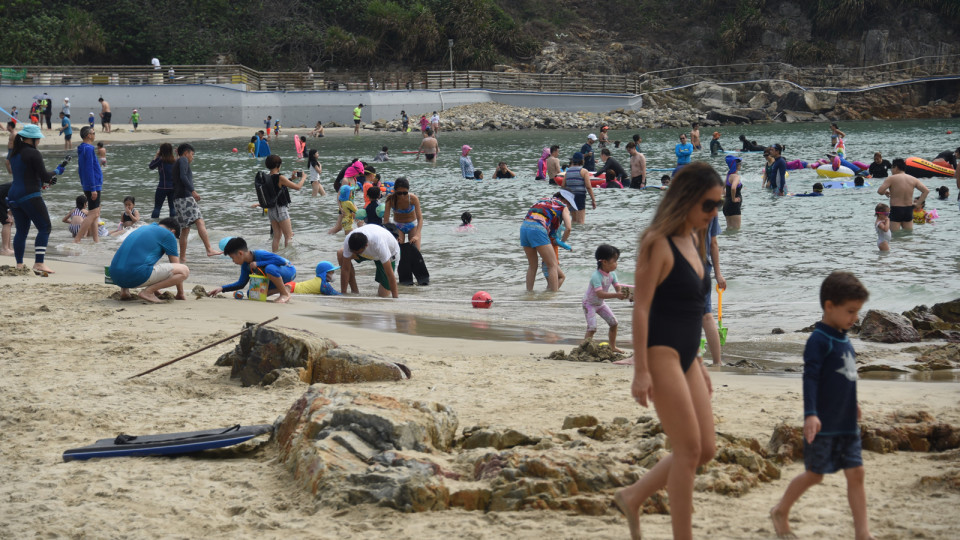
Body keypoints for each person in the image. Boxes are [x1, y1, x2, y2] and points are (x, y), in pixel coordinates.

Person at [613, 162, 721, 540]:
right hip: (661, 352)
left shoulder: (695, 238)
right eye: (708, 205)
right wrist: (640, 370)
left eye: (719, 206)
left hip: (688, 355)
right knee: (688, 450)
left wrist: (699, 361)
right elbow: (641, 308)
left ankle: (632, 496)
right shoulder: (656, 242)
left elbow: (690, 308)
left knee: (705, 449)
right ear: (686, 199)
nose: (714, 213)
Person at [770, 271, 873, 540]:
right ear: (829, 306)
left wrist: (854, 403)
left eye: (857, 312)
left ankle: (862, 533)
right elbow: (811, 379)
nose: (855, 318)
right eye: (850, 311)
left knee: (857, 473)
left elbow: (846, 377)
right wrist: (810, 414)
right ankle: (780, 510)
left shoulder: (844, 338)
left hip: (847, 423)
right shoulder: (819, 340)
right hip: (824, 424)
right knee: (815, 475)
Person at [7, 124, 62, 274]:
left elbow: (28, 174)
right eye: (38, 138)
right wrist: (57, 171)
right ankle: (39, 263)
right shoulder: (34, 153)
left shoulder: (14, 153)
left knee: (21, 231)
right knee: (45, 227)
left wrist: (45, 178)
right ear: (32, 139)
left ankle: (19, 265)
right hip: (29, 195)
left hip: (13, 194)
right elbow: (45, 175)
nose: (39, 141)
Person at [109, 218, 189, 303]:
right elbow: (176, 264)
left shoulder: (143, 228)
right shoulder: (169, 234)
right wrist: (180, 293)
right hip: (134, 277)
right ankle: (148, 292)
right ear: (173, 231)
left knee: (135, 259)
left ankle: (124, 292)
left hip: (114, 276)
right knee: (184, 270)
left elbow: (137, 257)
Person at [171, 143, 221, 261]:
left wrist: (178, 153)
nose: (192, 157)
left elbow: (180, 174)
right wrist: (192, 191)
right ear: (186, 153)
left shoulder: (177, 162)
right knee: (199, 221)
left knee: (185, 229)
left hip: (177, 199)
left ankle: (182, 258)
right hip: (185, 197)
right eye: (192, 154)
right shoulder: (183, 160)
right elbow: (183, 176)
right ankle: (209, 249)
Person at [208, 237, 295, 303]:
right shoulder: (245, 265)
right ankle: (285, 288)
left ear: (240, 253)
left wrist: (259, 263)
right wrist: (222, 288)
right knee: (252, 294)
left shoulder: (260, 254)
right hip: (274, 277)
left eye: (232, 258)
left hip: (288, 270)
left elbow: (282, 261)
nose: (233, 261)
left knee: (270, 268)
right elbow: (241, 284)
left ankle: (284, 294)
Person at [520, 190, 574, 292]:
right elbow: (568, 228)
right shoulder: (563, 206)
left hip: (524, 227)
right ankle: (553, 297)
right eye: (570, 205)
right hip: (538, 228)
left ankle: (529, 294)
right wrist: (563, 241)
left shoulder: (542, 200)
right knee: (552, 265)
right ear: (566, 201)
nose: (570, 207)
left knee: (532, 265)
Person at [583, 244, 629, 353]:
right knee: (592, 328)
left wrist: (625, 294)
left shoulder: (612, 274)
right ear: (604, 262)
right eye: (615, 261)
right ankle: (583, 349)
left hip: (600, 304)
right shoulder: (596, 276)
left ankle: (612, 346)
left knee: (614, 323)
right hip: (589, 304)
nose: (616, 264)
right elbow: (600, 294)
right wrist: (617, 295)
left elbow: (618, 288)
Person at [337, 224, 401, 298]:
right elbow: (345, 269)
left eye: (358, 252)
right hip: (368, 252)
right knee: (341, 253)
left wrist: (395, 298)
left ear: (366, 246)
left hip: (390, 255)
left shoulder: (379, 244)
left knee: (383, 296)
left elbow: (390, 274)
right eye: (353, 251)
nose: (355, 254)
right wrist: (343, 294)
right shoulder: (348, 240)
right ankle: (354, 292)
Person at [264, 154, 305, 251]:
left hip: (271, 210)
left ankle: (274, 255)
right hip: (280, 210)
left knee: (277, 236)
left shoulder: (266, 177)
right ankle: (288, 257)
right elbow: (298, 187)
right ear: (278, 165)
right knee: (288, 236)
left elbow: (277, 188)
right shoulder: (280, 177)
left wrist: (291, 179)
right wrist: (303, 178)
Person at [876, 158, 929, 232]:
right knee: (908, 234)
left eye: (892, 168)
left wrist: (885, 192)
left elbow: (880, 191)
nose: (891, 170)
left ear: (896, 167)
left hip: (896, 209)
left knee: (895, 235)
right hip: (908, 209)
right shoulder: (913, 179)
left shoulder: (891, 178)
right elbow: (926, 191)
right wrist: (917, 204)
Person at [702, 214, 726, 367]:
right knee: (706, 316)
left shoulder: (681, 205)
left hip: (682, 266)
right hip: (704, 267)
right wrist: (718, 274)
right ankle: (717, 362)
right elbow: (713, 243)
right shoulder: (712, 209)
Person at [75, 126, 103, 243]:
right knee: (93, 213)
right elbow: (89, 169)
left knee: (95, 214)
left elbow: (81, 169)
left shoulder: (83, 148)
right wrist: (93, 188)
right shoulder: (88, 149)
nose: (94, 135)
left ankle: (96, 240)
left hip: (89, 184)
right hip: (93, 185)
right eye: (93, 133)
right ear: (88, 135)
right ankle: (77, 239)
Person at [383, 177, 423, 249]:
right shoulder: (390, 200)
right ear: (395, 191)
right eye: (399, 193)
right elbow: (386, 221)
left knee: (416, 250)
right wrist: (393, 233)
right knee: (398, 249)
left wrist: (417, 235)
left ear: (408, 191)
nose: (402, 196)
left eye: (405, 193)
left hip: (412, 225)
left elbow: (420, 219)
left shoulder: (413, 198)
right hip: (398, 226)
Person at [562, 152, 596, 224]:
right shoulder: (584, 171)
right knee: (580, 221)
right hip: (580, 196)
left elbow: (563, 186)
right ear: (582, 160)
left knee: (574, 220)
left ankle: (573, 231)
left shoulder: (568, 172)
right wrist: (593, 200)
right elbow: (588, 187)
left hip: (570, 197)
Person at [149, 142, 177, 218]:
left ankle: (154, 223)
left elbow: (151, 166)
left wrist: (156, 156)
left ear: (161, 150)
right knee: (172, 208)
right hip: (173, 187)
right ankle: (173, 223)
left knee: (157, 208)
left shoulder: (160, 160)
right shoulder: (174, 160)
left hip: (162, 187)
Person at [722, 155, 743, 229]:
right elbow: (733, 188)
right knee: (736, 230)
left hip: (726, 204)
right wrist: (733, 199)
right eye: (740, 164)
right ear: (736, 165)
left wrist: (726, 195)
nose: (741, 165)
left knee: (729, 228)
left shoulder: (728, 174)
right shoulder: (736, 177)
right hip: (734, 205)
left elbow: (722, 187)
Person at [0, 182, 13, 255]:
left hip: (2, 199)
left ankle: (9, 247)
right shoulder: (22, 187)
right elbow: (15, 200)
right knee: (7, 222)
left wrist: (10, 214)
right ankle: (4, 249)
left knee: (9, 222)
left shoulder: (22, 184)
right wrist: (9, 214)